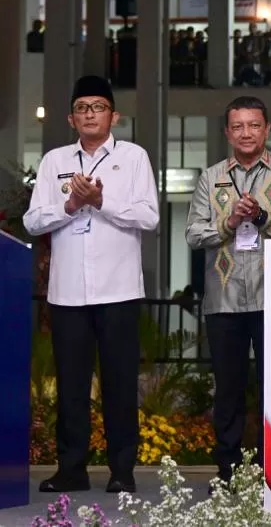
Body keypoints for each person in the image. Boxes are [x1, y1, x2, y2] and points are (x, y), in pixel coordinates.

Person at [23, 75, 159, 494]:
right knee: (71, 386)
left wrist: (102, 202)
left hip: (118, 292)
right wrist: (70, 205)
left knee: (119, 384)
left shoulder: (134, 158)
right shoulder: (53, 161)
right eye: (82, 108)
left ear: (113, 115)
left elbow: (150, 217)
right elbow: (32, 221)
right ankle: (72, 469)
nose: (89, 114)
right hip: (67, 293)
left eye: (97, 107)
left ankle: (121, 471)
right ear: (70, 117)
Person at [185, 96, 271, 491]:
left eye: (253, 125)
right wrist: (230, 221)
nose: (246, 133)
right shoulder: (211, 177)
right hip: (223, 299)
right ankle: (229, 472)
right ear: (227, 133)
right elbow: (193, 233)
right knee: (229, 390)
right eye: (238, 126)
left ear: (266, 129)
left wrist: (259, 218)